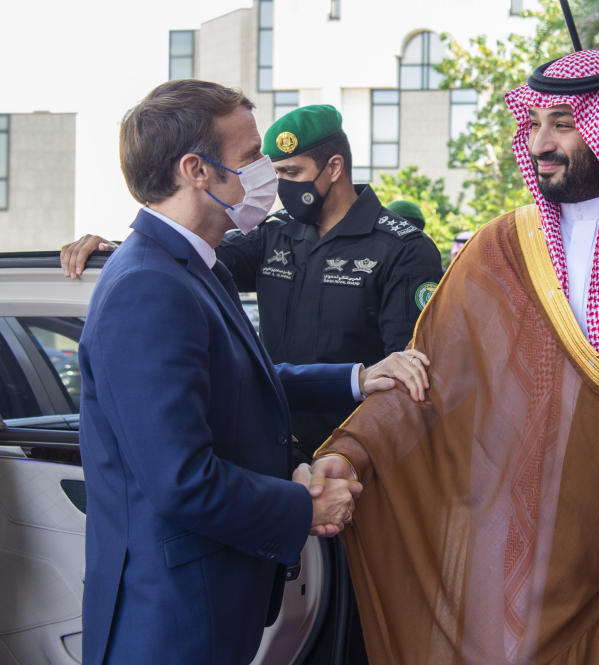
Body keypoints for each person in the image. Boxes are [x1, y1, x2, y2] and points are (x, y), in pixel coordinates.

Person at [307, 49, 599, 665]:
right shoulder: (503, 245)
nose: (541, 142)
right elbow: (433, 380)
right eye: (533, 124)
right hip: (536, 554)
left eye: (564, 122)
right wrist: (352, 451)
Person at [79, 80, 430, 665]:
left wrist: (358, 378)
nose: (264, 173)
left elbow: (249, 375)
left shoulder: (195, 266)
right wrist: (303, 508)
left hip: (217, 593)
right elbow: (181, 480)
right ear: (197, 169)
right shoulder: (149, 286)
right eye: (250, 159)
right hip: (172, 616)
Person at [61, 104, 444, 451]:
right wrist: (114, 248)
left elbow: (404, 377)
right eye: (275, 173)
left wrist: (349, 455)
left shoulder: (401, 249)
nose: (281, 186)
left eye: (292, 172)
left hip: (359, 456)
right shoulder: (273, 235)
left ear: (334, 168)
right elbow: (187, 257)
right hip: (277, 450)